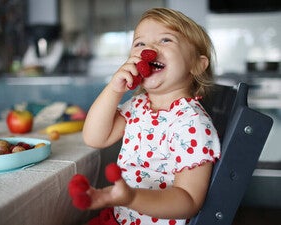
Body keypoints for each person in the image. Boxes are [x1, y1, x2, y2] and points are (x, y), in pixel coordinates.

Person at [82, 7, 221, 225]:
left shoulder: (192, 124)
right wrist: (114, 89)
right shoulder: (139, 105)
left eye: (166, 40)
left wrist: (133, 197)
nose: (149, 49)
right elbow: (94, 137)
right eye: (139, 43)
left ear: (197, 64)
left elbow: (189, 200)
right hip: (120, 218)